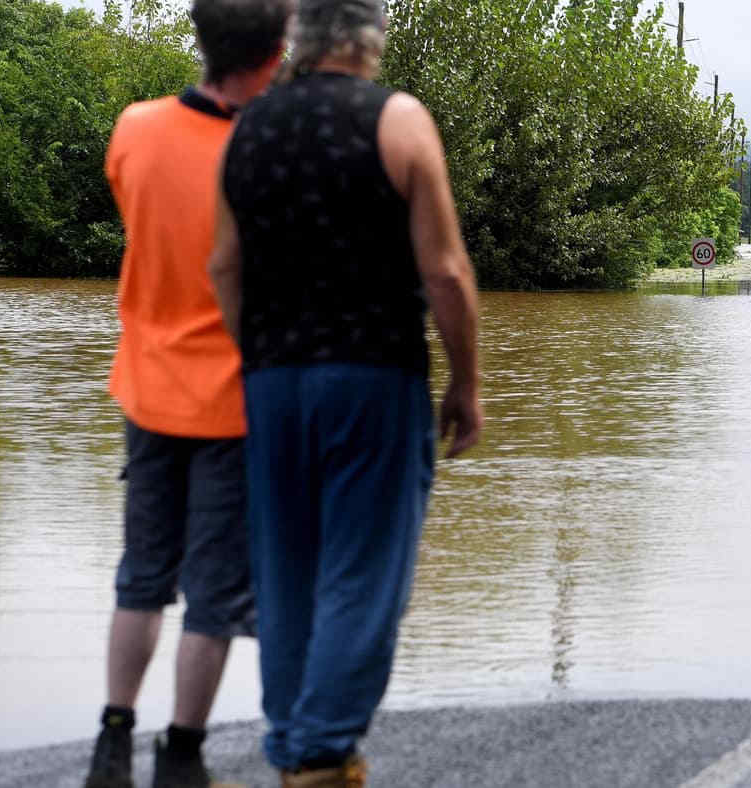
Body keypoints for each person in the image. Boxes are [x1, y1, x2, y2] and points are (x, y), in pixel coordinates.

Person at [208, 0, 483, 782]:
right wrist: (467, 383)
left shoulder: (248, 131)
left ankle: (296, 739)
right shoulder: (398, 121)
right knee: (363, 573)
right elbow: (447, 273)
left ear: (300, 36)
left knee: (286, 573)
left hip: (273, 382)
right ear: (372, 36)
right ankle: (318, 754)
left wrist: (257, 356)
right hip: (373, 377)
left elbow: (224, 267)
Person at [88, 1, 293, 786]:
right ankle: (182, 751)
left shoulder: (134, 128)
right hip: (234, 402)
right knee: (213, 594)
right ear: (274, 55)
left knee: (141, 574)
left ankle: (113, 736)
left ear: (202, 42)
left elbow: (141, 225)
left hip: (145, 387)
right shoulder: (266, 147)